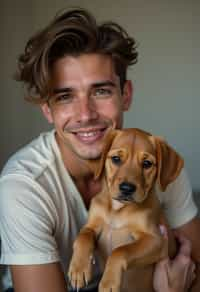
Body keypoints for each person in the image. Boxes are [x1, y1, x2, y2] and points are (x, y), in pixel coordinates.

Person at [0, 8, 199, 292]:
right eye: (65, 96)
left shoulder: (155, 160)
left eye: (101, 91)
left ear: (125, 94)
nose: (85, 115)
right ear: (47, 108)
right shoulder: (24, 185)